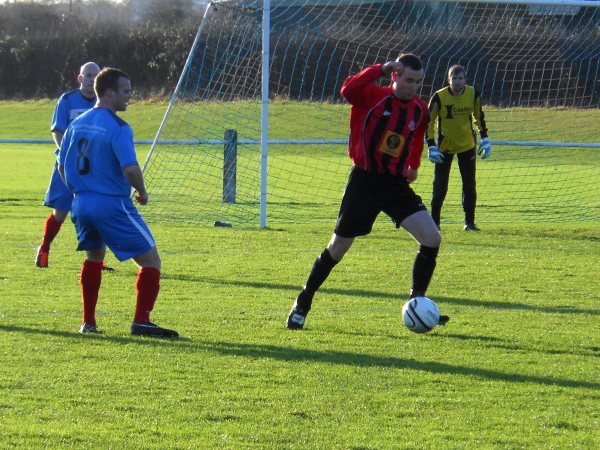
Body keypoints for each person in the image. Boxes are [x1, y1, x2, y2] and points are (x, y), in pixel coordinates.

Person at [287, 54, 449, 330]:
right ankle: (303, 302)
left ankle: (417, 303)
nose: (413, 87)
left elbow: (416, 137)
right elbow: (347, 90)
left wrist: (413, 165)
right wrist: (379, 69)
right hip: (364, 182)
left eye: (418, 82)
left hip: (395, 186)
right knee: (337, 248)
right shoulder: (372, 97)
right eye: (409, 80)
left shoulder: (420, 109)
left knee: (432, 238)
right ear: (396, 76)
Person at [57, 67, 178, 338]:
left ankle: (88, 323)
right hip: (111, 203)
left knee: (94, 258)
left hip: (80, 202)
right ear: (109, 93)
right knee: (151, 261)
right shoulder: (119, 127)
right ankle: (141, 322)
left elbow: (62, 166)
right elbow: (131, 169)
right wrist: (142, 191)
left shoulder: (77, 122)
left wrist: (80, 192)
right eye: (126, 91)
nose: (130, 96)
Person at [36, 61, 113, 270]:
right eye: (88, 75)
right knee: (60, 213)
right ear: (80, 78)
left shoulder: (103, 102)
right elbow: (57, 130)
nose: (91, 79)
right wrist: (67, 155)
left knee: (97, 210)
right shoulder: (67, 100)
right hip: (67, 166)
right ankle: (44, 247)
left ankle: (96, 259)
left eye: (95, 76)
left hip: (94, 169)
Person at [426, 64, 492, 231]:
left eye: (460, 78)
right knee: (440, 185)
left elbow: (479, 116)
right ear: (449, 80)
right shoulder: (439, 97)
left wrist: (485, 138)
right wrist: (431, 145)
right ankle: (435, 223)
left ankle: (469, 223)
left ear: (465, 79)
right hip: (444, 148)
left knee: (469, 185)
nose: (457, 81)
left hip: (467, 146)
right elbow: (428, 121)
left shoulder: (473, 94)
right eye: (454, 78)